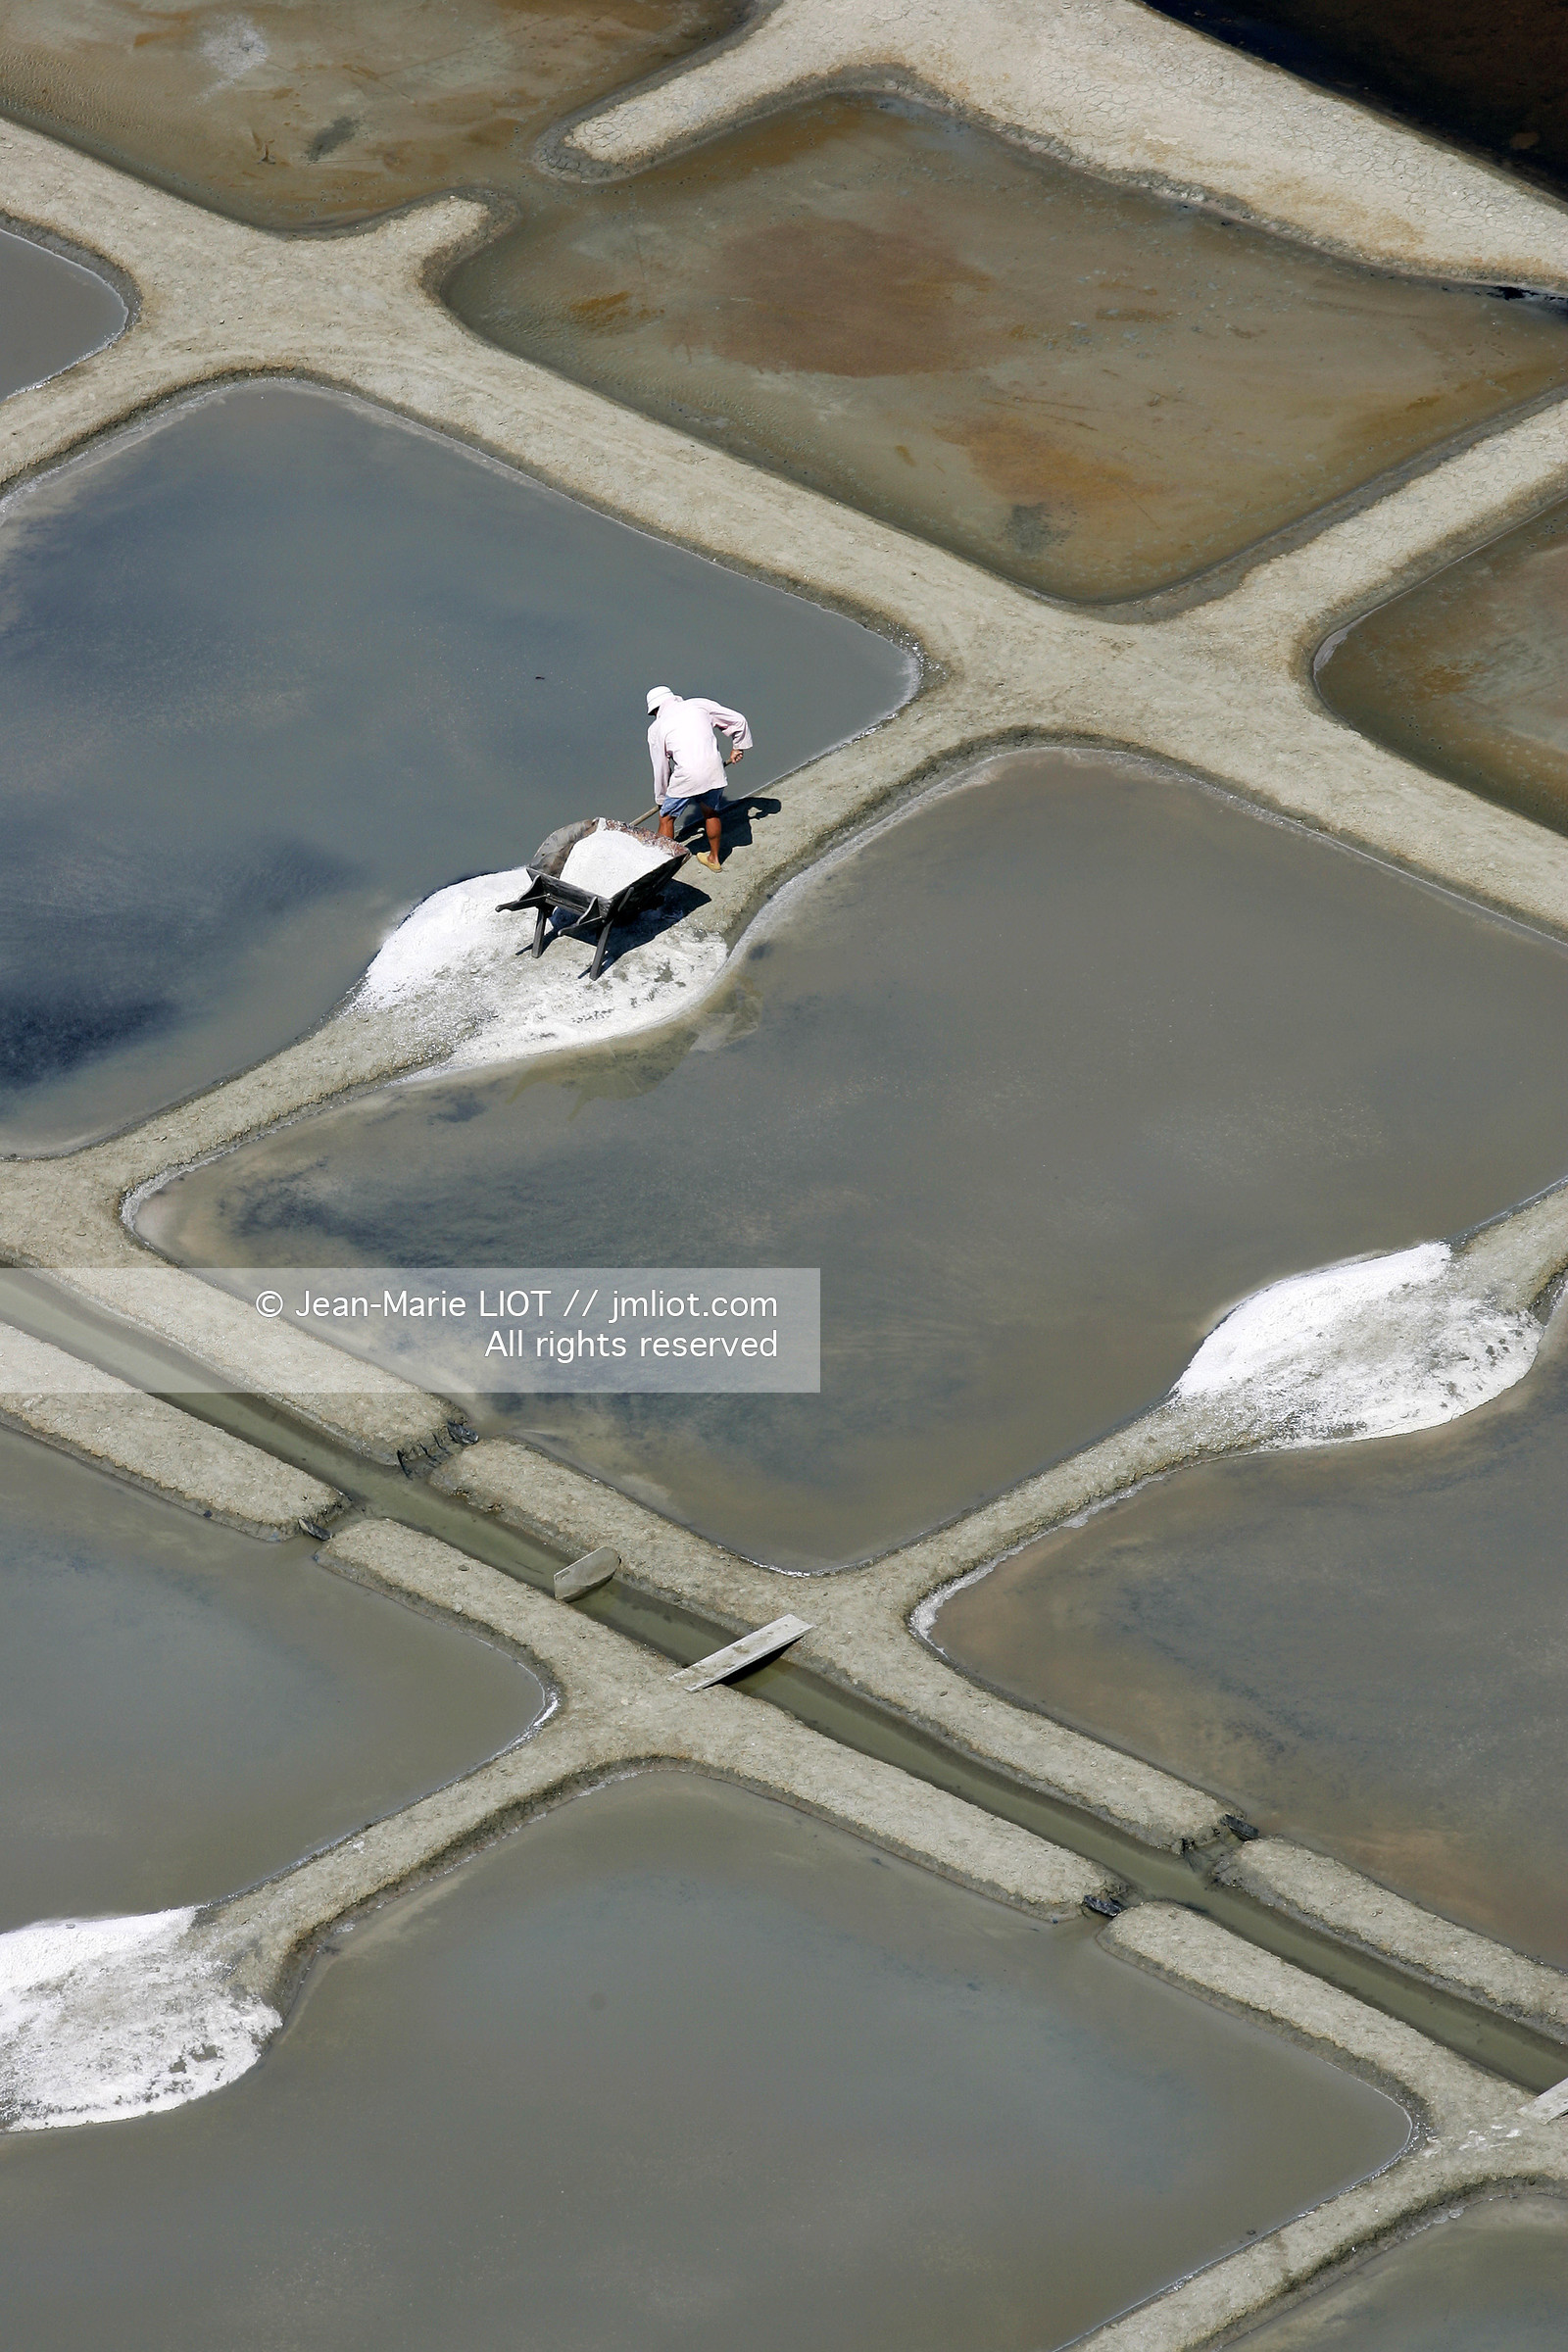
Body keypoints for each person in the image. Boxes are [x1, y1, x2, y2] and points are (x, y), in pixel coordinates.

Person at [646, 685, 751, 871]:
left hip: (687, 775)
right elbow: (738, 720)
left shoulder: (656, 728)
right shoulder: (699, 704)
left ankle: (660, 866)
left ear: (655, 709)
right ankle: (714, 859)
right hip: (714, 770)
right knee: (710, 812)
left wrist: (662, 798)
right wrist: (738, 746)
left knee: (666, 819)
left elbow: (661, 768)